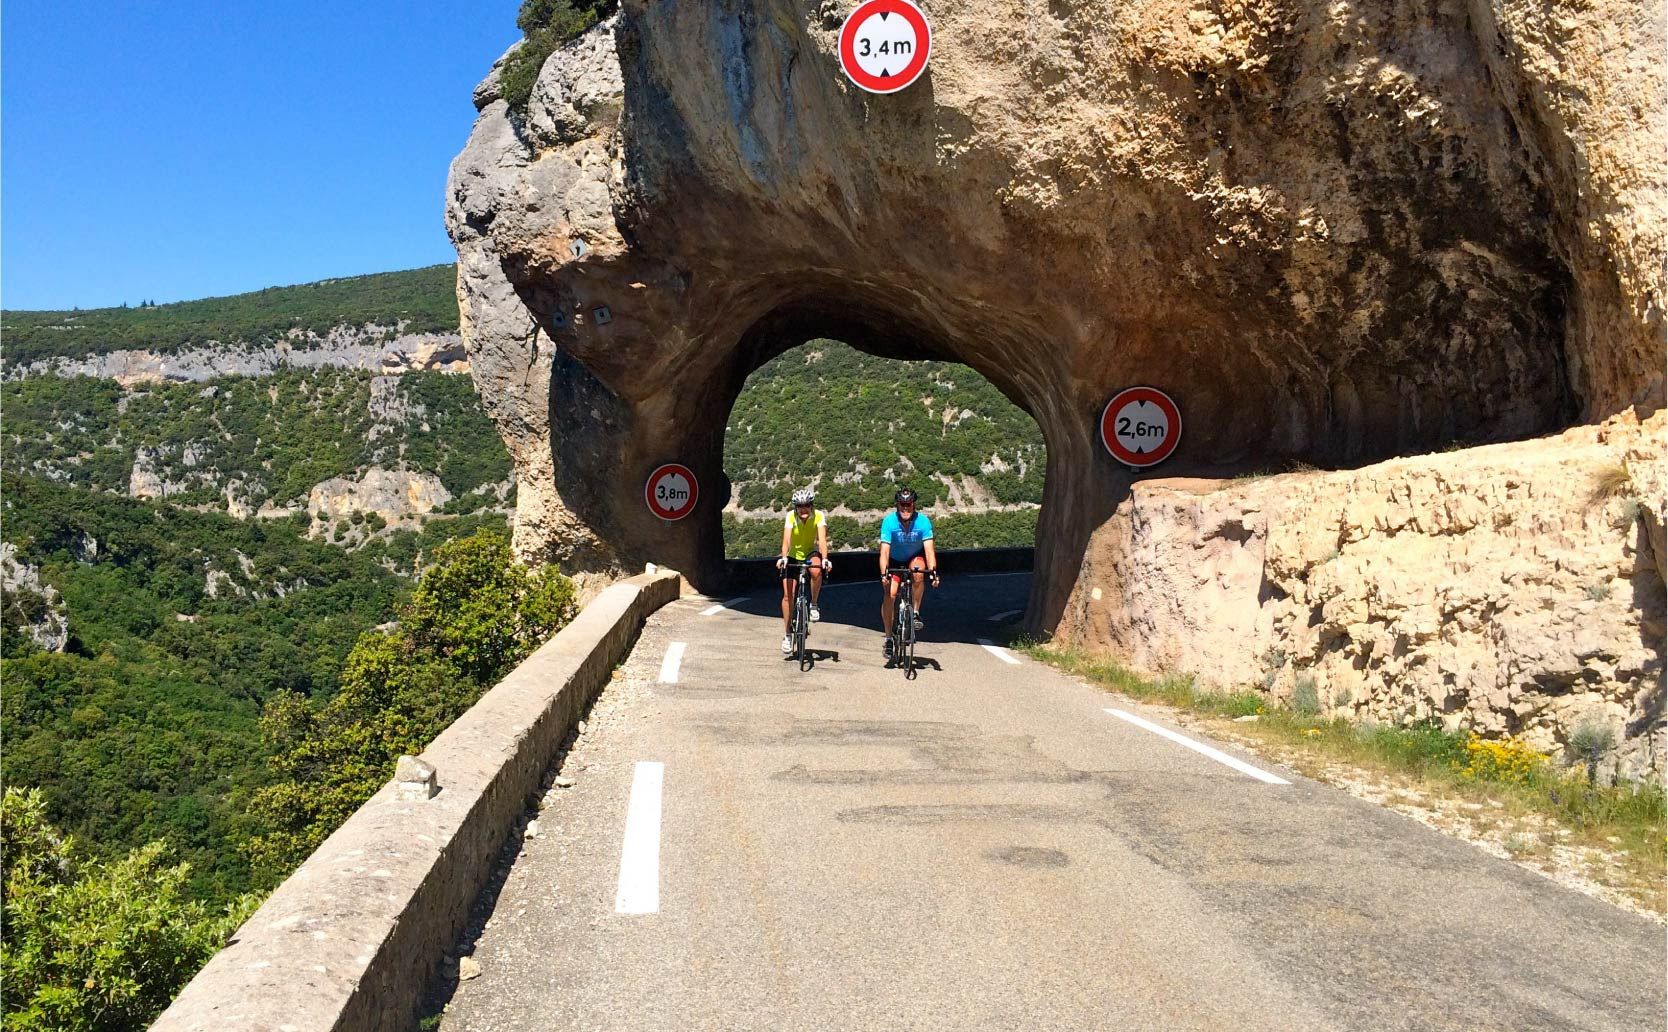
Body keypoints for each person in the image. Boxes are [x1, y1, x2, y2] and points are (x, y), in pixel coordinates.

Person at [878, 485, 939, 660]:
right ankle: (889, 638)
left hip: (914, 557)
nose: (905, 508)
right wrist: (884, 573)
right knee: (890, 594)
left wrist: (933, 572)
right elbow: (884, 552)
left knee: (919, 572)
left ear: (914, 505)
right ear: (897, 505)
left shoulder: (923, 522)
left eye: (909, 504)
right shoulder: (889, 522)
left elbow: (929, 551)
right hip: (895, 560)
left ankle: (915, 612)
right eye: (902, 504)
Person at [776, 487, 831, 654]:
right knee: (787, 596)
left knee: (816, 571)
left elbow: (822, 541)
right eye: (800, 506)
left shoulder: (819, 516)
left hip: (809, 552)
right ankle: (787, 634)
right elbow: (786, 540)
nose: (803, 509)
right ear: (796, 507)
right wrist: (784, 557)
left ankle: (813, 604)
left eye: (807, 505)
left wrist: (825, 559)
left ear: (811, 505)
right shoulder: (790, 517)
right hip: (793, 555)